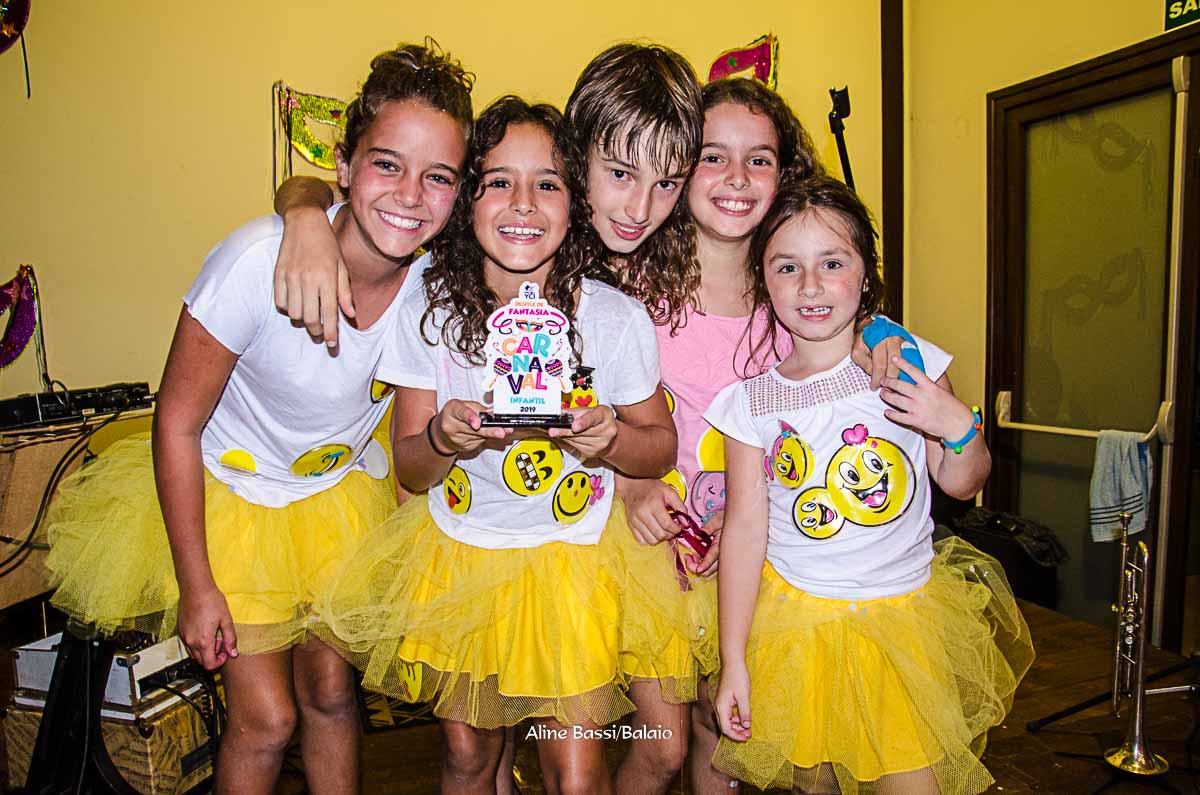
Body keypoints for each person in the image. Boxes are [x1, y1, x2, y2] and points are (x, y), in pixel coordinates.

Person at [43, 41, 474, 794]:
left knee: (333, 694)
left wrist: (413, 566)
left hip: (337, 502)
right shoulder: (255, 262)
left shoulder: (433, 288)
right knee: (267, 719)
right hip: (228, 501)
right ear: (344, 166)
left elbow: (411, 438)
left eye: (438, 176)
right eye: (387, 164)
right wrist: (197, 584)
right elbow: (175, 424)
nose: (410, 194)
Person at [319, 96, 680, 794]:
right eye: (497, 181)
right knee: (469, 755)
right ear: (467, 200)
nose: (523, 204)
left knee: (576, 772)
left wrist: (611, 437)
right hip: (462, 557)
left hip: (575, 560)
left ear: (575, 203)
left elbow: (659, 447)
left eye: (547, 183)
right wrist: (444, 436)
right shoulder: (429, 306)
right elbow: (411, 466)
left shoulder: (613, 317)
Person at [706, 176, 1033, 794]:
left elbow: (963, 483)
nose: (810, 285)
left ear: (864, 274)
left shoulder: (908, 364)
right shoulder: (749, 403)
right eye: (787, 267)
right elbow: (745, 533)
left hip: (901, 627)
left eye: (832, 263)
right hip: (796, 629)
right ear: (763, 281)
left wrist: (957, 427)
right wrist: (734, 661)